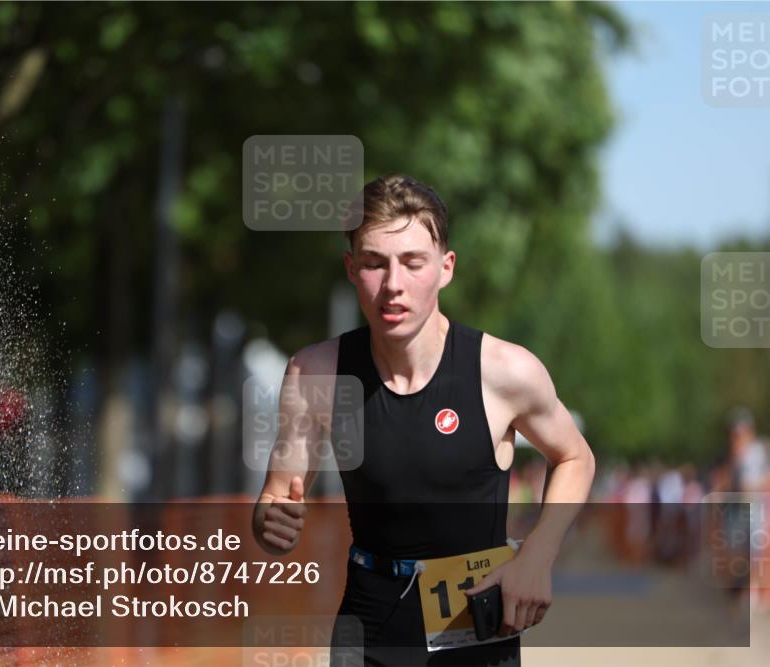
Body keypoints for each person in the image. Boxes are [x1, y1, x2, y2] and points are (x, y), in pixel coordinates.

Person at [252, 175, 596, 666]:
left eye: (413, 262)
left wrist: (537, 555)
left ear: (445, 267)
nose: (393, 284)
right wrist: (270, 522)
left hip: (477, 629)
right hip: (370, 628)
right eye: (374, 263)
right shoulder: (317, 374)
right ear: (351, 268)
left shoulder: (504, 371)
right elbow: (277, 499)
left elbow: (576, 457)